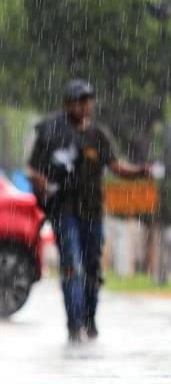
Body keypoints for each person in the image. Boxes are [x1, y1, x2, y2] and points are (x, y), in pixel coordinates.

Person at [26, 79, 152, 342]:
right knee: (72, 265)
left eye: (87, 101)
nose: (84, 106)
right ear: (68, 104)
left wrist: (140, 171)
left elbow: (116, 166)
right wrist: (43, 184)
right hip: (64, 209)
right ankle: (74, 324)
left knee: (93, 268)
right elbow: (32, 169)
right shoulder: (51, 133)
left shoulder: (98, 135)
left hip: (93, 212)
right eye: (79, 101)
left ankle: (90, 320)